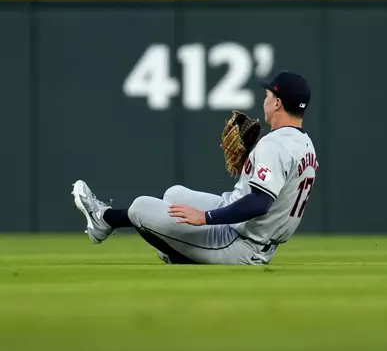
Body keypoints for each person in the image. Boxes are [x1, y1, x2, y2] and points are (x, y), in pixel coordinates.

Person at [71, 70, 319, 265]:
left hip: (241, 244)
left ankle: (112, 221)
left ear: (277, 104)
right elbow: (276, 193)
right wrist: (249, 164)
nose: (264, 100)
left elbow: (259, 203)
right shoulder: (303, 143)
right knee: (173, 195)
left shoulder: (274, 145)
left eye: (267, 96)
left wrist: (205, 218)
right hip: (252, 232)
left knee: (141, 208)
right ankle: (106, 223)